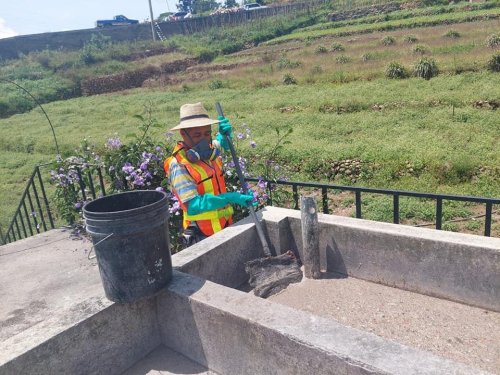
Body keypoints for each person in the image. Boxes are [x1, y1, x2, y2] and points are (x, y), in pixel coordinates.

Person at [164, 102, 254, 247]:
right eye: (197, 135)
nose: (204, 140)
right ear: (183, 133)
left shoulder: (208, 153)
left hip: (223, 227)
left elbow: (218, 143)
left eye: (207, 134)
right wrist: (231, 197)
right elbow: (192, 205)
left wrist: (223, 137)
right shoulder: (179, 165)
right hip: (201, 236)